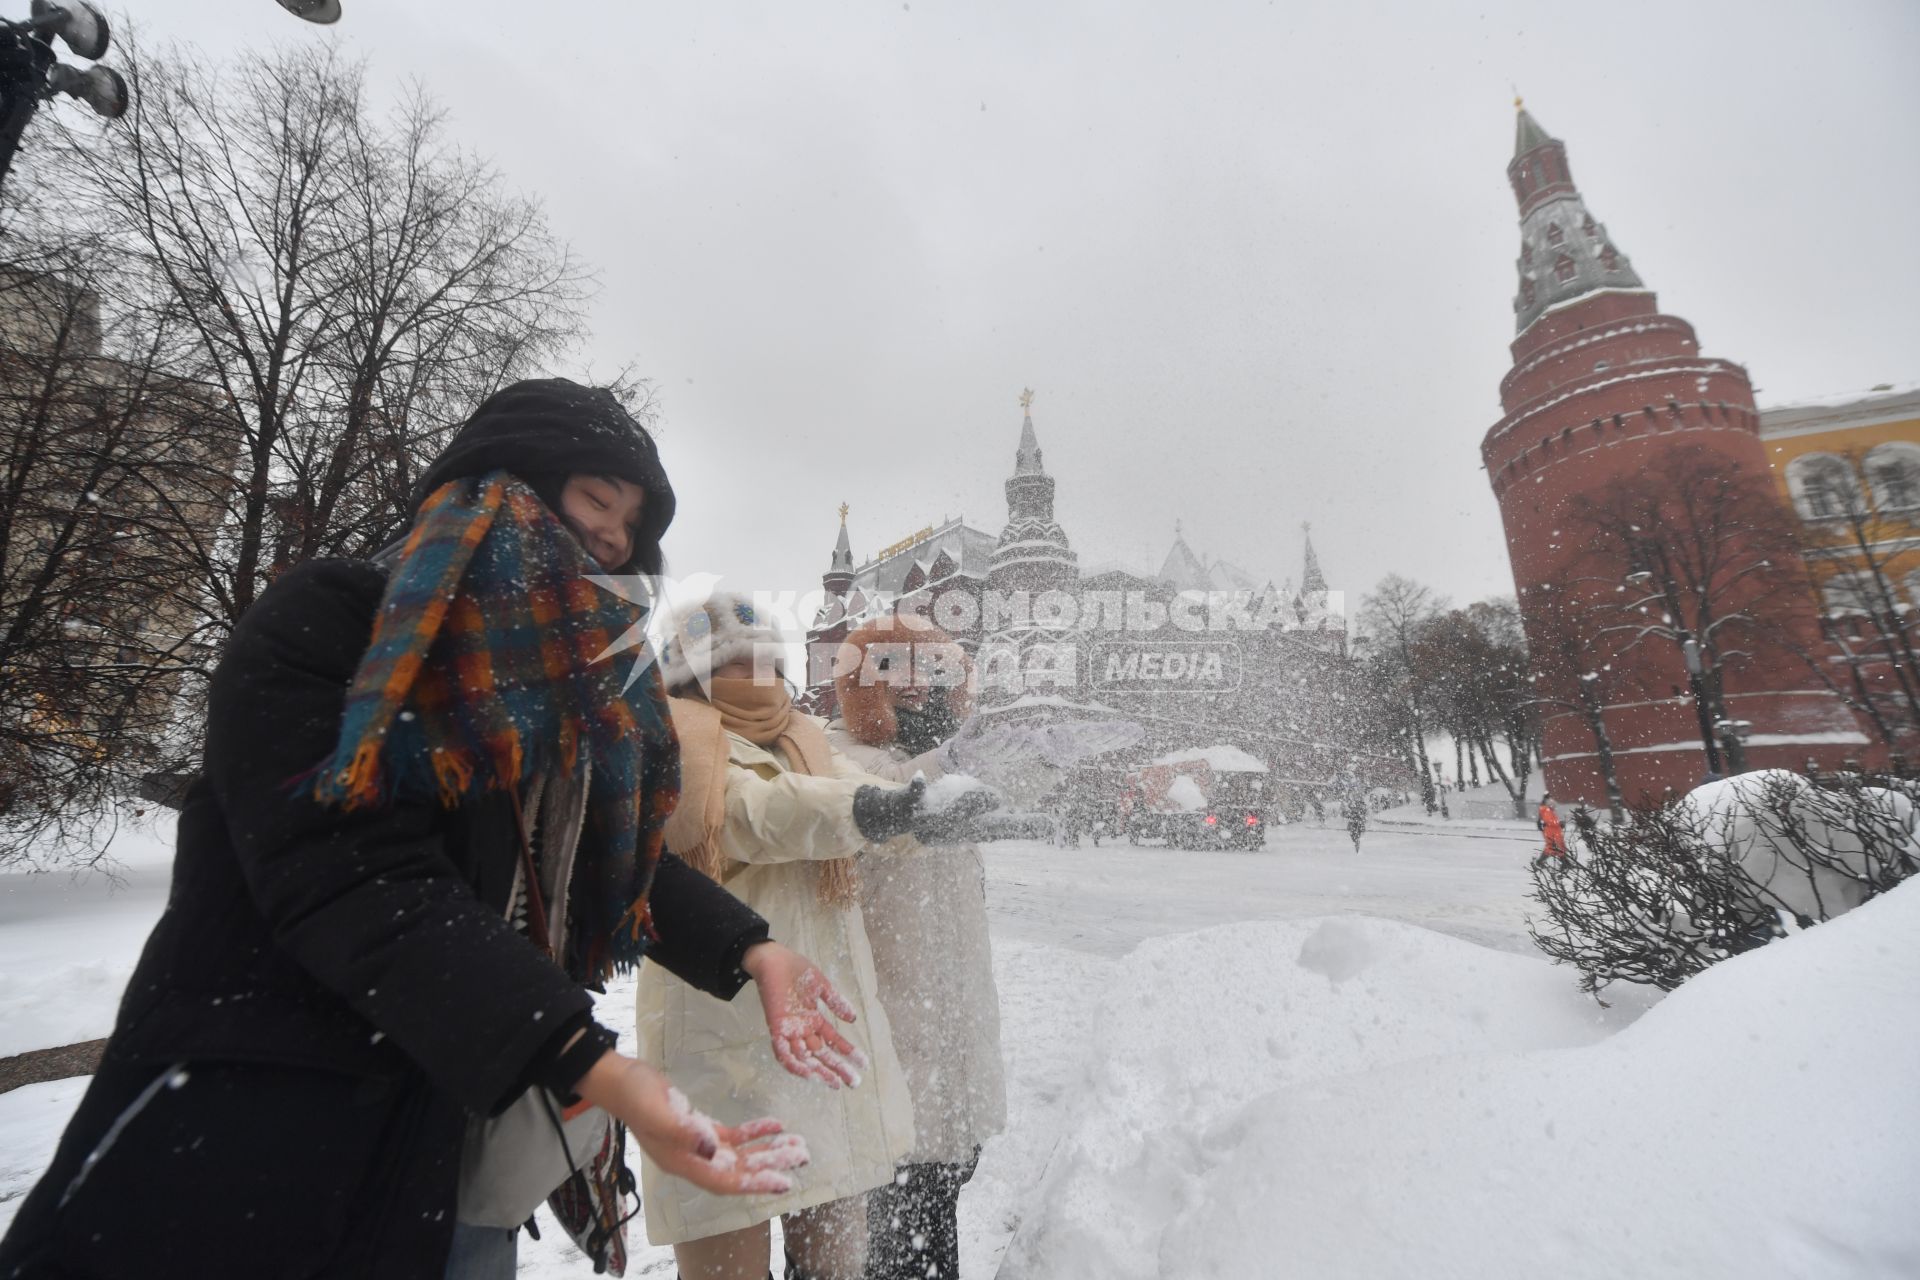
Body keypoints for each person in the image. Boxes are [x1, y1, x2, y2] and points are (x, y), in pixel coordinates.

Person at [0, 380, 854, 1280]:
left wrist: (751, 951)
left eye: (630, 530)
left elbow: (613, 856)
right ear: (499, 481)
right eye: (594, 501)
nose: (611, 540)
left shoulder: (571, 700)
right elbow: (361, 878)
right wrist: (584, 1059)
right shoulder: (329, 623)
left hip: (450, 1144)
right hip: (248, 1131)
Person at [637, 592, 989, 1280]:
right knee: (726, 1270)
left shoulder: (803, 739)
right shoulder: (673, 743)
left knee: (836, 1268)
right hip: (723, 1050)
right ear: (691, 672)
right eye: (736, 659)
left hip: (818, 1045)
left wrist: (933, 813)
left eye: (768, 657)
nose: (758, 672)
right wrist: (875, 809)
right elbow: (758, 812)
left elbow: (864, 793)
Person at [824, 614, 1008, 1280]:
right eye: (893, 671)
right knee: (885, 1241)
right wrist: (961, 758)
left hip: (946, 1046)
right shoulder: (837, 757)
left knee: (931, 1230)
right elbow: (888, 801)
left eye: (932, 673)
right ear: (859, 681)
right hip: (888, 1051)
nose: (919, 688)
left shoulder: (940, 770)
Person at [1536, 793, 1569, 867]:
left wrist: (1560, 824)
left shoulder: (1548, 810)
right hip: (1551, 831)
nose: (1554, 805)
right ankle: (1565, 863)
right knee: (1554, 846)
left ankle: (1565, 863)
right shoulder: (1546, 810)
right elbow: (1549, 821)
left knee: (1557, 846)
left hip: (1553, 831)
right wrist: (1560, 824)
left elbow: (1552, 821)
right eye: (1552, 802)